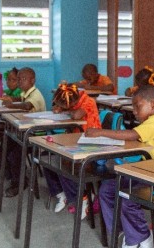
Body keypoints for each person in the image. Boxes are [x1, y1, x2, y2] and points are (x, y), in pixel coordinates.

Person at [85, 85, 154, 248]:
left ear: (153, 105)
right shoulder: (151, 121)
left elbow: (134, 135)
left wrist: (100, 132)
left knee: (126, 196)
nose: (134, 111)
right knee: (106, 189)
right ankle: (123, 232)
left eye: (138, 106)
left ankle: (142, 236)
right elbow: (136, 139)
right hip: (144, 172)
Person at [44, 82, 102, 213]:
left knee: (65, 166)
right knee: (48, 162)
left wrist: (66, 109)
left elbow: (77, 115)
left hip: (91, 144)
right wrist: (60, 108)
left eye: (64, 104)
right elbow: (70, 111)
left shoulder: (88, 101)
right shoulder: (74, 103)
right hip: (75, 140)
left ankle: (82, 198)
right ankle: (61, 193)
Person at [0, 67, 46, 197]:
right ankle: (17, 177)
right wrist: (10, 99)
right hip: (24, 132)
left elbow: (27, 106)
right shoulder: (26, 93)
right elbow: (20, 98)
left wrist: (10, 105)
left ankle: (18, 183)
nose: (19, 82)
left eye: (23, 79)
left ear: (33, 80)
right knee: (0, 151)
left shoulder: (36, 94)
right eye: (18, 79)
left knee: (14, 155)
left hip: (35, 136)